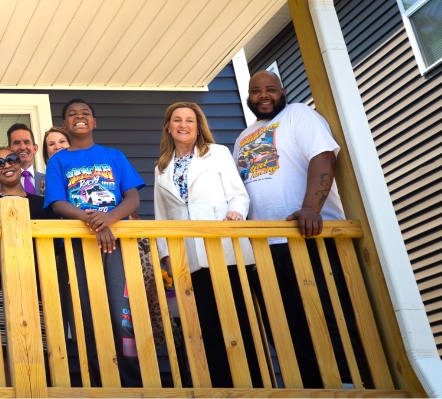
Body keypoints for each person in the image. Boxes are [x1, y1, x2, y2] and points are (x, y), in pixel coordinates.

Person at [236, 71, 360, 389]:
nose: (263, 95)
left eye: (270, 90)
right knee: (287, 323)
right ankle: (312, 388)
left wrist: (310, 209)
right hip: (265, 246)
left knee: (329, 314)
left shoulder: (300, 115)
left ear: (283, 91)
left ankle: (352, 384)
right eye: (256, 91)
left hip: (308, 235)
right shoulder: (242, 138)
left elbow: (322, 156)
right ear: (248, 96)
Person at [152, 102, 253, 388]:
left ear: (198, 126)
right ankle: (222, 388)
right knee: (206, 326)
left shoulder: (217, 153)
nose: (183, 125)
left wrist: (237, 213)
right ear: (169, 127)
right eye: (177, 120)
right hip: (189, 259)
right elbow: (162, 218)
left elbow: (238, 195)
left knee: (239, 323)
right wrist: (167, 256)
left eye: (189, 120)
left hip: (225, 251)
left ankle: (253, 386)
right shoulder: (160, 168)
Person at [44, 98, 144, 387]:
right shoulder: (59, 161)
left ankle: (132, 382)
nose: (79, 117)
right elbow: (58, 203)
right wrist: (94, 221)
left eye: (85, 113)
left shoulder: (114, 156)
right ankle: (99, 383)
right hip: (78, 247)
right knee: (86, 313)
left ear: (94, 121)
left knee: (122, 313)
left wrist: (108, 218)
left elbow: (133, 197)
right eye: (72, 115)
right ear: (65, 125)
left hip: (116, 245)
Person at [0, 148, 55, 376]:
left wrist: (29, 270)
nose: (7, 165)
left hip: (35, 288)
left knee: (36, 351)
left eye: (12, 160)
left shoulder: (43, 204)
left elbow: (54, 245)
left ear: (20, 165)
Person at [0, 123, 43, 195]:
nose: (22, 147)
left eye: (26, 142)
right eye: (16, 143)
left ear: (35, 149)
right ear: (9, 150)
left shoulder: (49, 180)